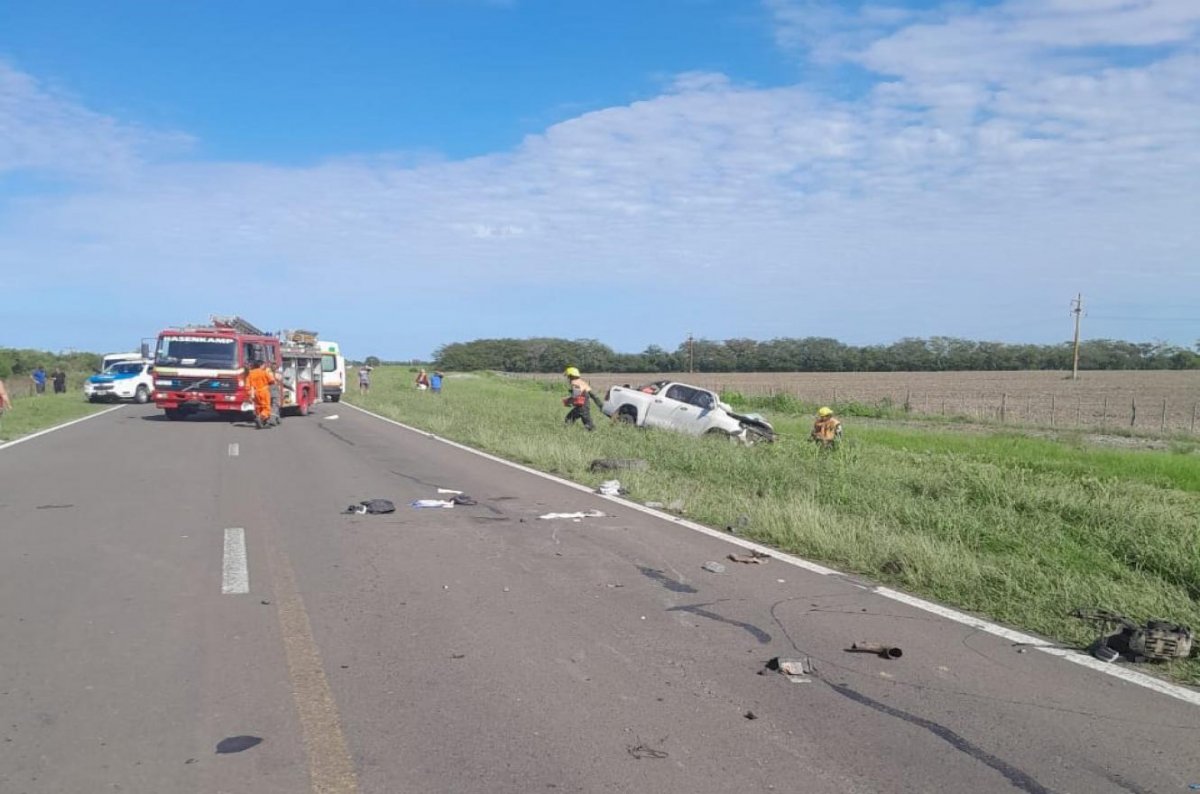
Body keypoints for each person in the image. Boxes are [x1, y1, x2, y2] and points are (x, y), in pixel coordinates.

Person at [563, 366, 603, 431]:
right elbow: (593, 395)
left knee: (570, 420)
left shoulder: (574, 383)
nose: (568, 378)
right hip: (585, 406)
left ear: (572, 376)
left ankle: (566, 432)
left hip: (581, 407)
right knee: (571, 419)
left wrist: (568, 401)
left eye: (568, 376)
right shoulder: (582, 382)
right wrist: (600, 405)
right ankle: (568, 431)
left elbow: (576, 396)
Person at [245, 360, 276, 429]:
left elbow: (247, 386)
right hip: (264, 391)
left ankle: (262, 423)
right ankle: (260, 418)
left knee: (258, 407)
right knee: (266, 407)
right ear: (261, 365)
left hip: (255, 392)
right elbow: (272, 380)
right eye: (264, 365)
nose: (264, 366)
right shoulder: (264, 372)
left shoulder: (250, 373)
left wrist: (249, 394)